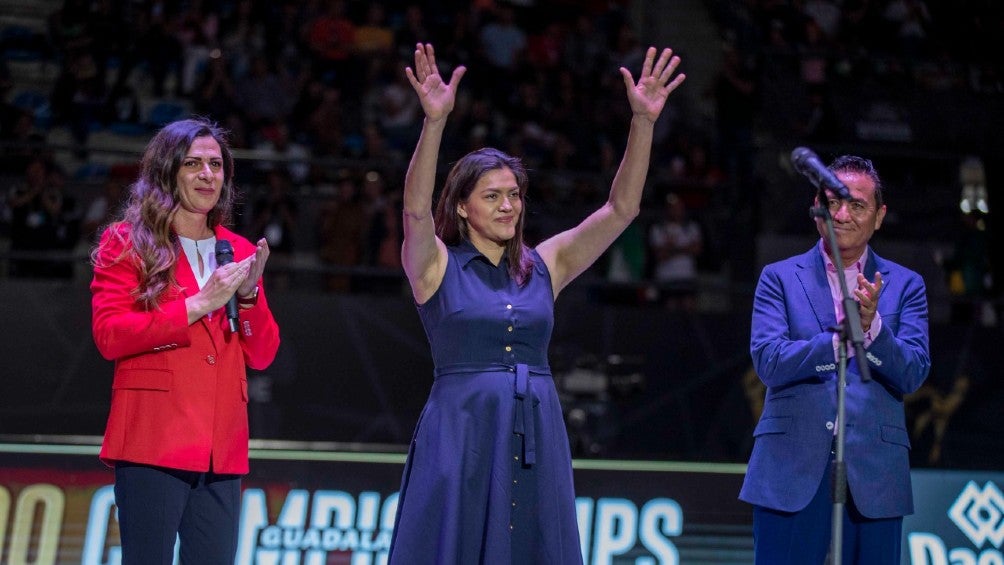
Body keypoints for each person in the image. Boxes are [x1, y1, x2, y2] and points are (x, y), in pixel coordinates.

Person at [388, 43, 684, 563]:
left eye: (514, 195)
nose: (508, 206)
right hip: (461, 431)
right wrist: (434, 124)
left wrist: (643, 123)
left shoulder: (546, 263)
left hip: (536, 428)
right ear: (461, 206)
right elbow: (414, 210)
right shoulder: (435, 265)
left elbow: (621, 209)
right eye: (492, 196)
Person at [90, 118, 280, 565]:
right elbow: (110, 334)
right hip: (154, 441)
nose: (207, 174)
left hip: (222, 450)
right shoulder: (128, 242)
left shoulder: (236, 249)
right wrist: (199, 303)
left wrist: (249, 295)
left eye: (216, 164)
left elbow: (264, 352)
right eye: (193, 163)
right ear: (167, 172)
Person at [740, 155, 931, 563]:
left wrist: (873, 328)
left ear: (878, 216)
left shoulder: (906, 285)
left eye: (857, 205)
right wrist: (839, 341)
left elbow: (913, 372)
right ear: (817, 209)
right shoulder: (779, 277)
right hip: (791, 469)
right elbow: (769, 362)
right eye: (833, 202)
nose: (842, 214)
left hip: (875, 476)